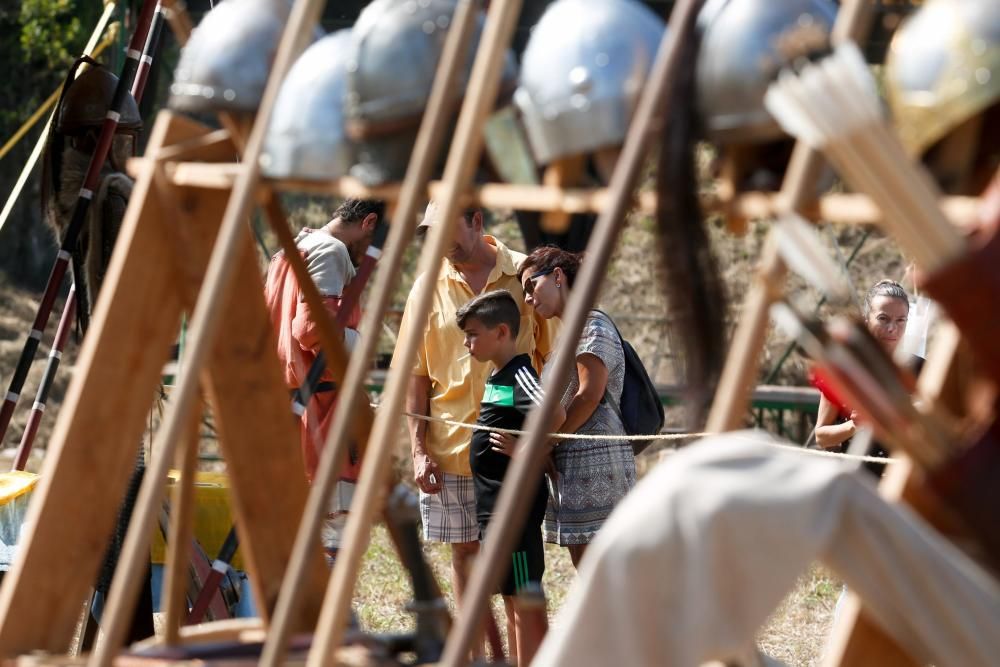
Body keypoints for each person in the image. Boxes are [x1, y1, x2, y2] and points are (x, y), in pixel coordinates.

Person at [394, 202, 557, 615]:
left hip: (511, 454)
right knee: (465, 556)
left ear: (477, 221)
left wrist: (541, 444)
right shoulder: (425, 287)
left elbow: (554, 359)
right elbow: (415, 374)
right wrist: (418, 449)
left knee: (515, 564)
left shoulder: (525, 275)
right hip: (450, 450)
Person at [264, 198, 382, 564]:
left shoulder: (290, 249)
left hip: (292, 401)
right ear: (370, 223)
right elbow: (315, 329)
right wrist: (361, 345)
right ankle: (328, 618)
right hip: (322, 407)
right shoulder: (330, 251)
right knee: (335, 527)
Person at [456, 289, 563, 664]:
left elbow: (554, 414)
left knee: (524, 597)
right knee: (509, 596)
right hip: (493, 508)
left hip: (513, 510)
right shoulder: (499, 376)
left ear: (501, 332)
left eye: (473, 333)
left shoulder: (520, 372)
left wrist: (524, 452)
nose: (467, 342)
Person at [514, 246, 635, 568]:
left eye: (531, 286)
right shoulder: (570, 331)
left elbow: (589, 395)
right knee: (589, 567)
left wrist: (548, 442)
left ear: (557, 276)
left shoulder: (591, 326)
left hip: (596, 459)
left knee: (603, 567)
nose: (528, 298)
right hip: (573, 461)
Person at [814, 279, 921, 476]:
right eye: (883, 318)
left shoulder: (921, 368)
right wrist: (854, 425)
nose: (892, 329)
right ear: (866, 320)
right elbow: (821, 436)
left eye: (900, 320)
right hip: (859, 483)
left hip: (909, 484)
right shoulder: (844, 368)